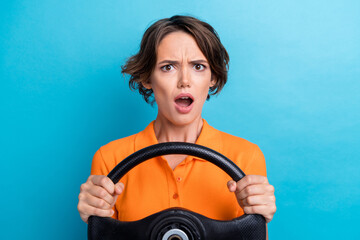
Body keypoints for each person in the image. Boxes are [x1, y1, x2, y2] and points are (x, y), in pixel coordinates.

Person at [77, 15, 276, 237]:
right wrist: (95, 214)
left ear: (213, 77)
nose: (184, 80)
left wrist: (260, 217)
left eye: (198, 66)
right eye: (168, 67)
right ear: (147, 78)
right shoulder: (111, 158)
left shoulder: (245, 156)